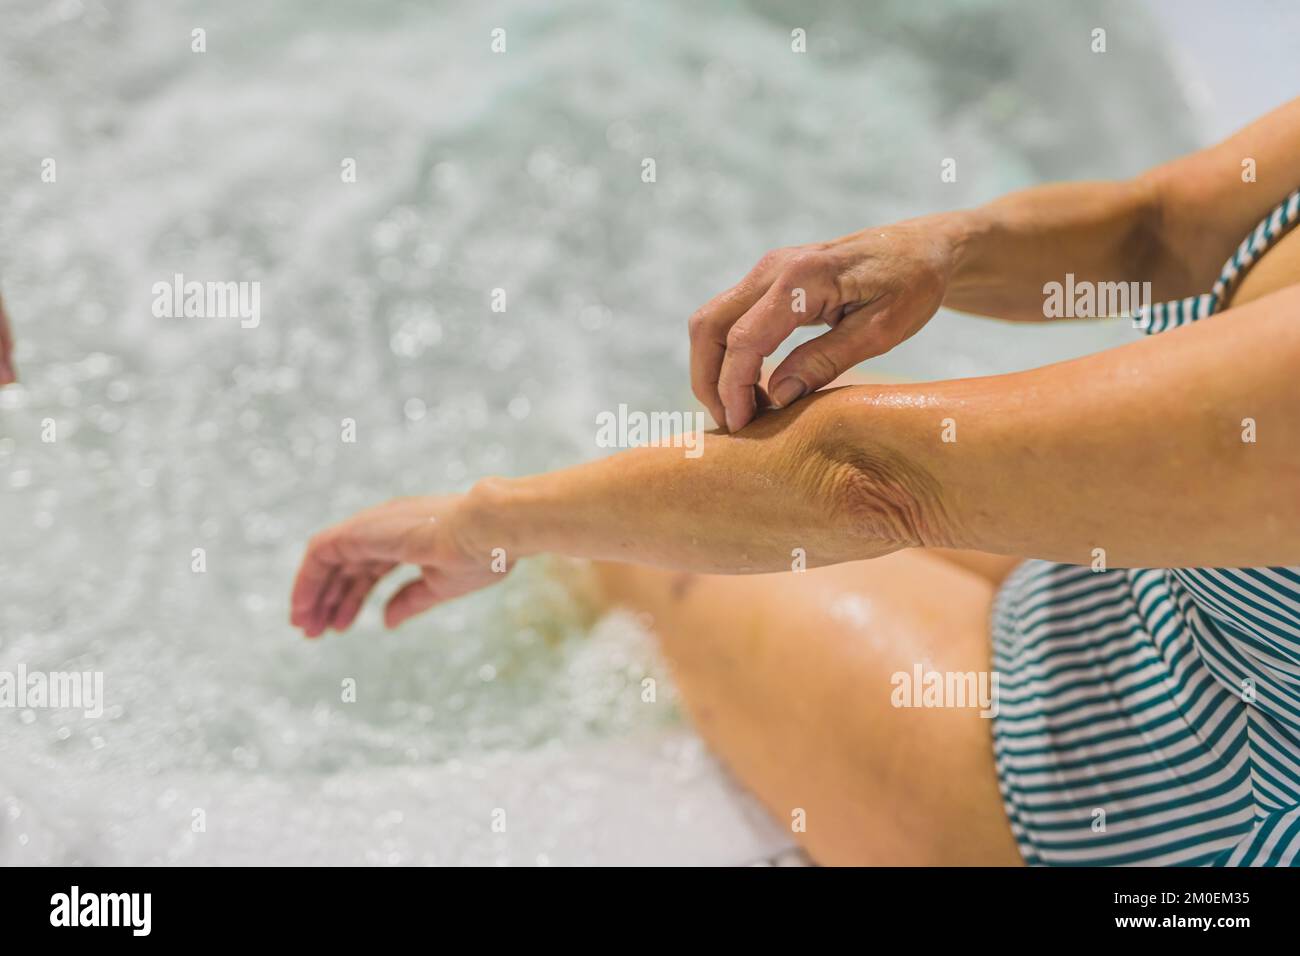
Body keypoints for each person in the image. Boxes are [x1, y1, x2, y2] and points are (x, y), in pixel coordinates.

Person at [291, 98, 1300, 866]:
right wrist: (946, 250)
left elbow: (868, 478)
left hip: (1139, 804)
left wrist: (486, 519)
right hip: (1156, 602)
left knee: (628, 564)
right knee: (709, 474)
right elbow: (1162, 229)